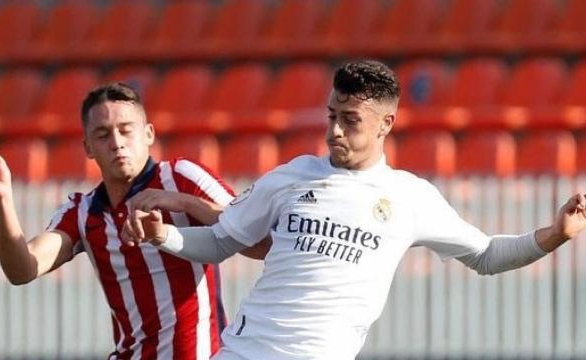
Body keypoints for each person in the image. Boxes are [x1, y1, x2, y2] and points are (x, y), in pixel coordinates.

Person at [122, 60, 586, 360]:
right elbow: (223, 241)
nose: (335, 132)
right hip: (243, 353)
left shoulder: (410, 197)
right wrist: (165, 237)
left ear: (387, 123)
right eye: (331, 117)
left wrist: (555, 234)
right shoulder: (291, 176)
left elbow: (485, 255)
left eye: (350, 121)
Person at [0, 82, 267, 360]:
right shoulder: (81, 211)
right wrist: (3, 200)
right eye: (103, 134)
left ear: (148, 134)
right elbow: (23, 269)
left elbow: (258, 243)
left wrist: (182, 203)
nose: (117, 143)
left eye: (126, 130)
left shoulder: (182, 178)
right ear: (88, 148)